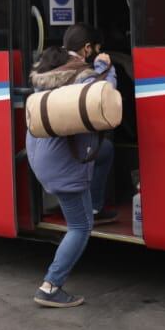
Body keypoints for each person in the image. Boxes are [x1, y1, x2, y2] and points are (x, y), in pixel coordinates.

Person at [26, 37, 119, 308]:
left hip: (44, 158)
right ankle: (50, 286)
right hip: (64, 166)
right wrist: (106, 66)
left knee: (106, 151)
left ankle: (97, 205)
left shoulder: (42, 82)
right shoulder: (79, 83)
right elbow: (105, 95)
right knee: (79, 227)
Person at [62, 23, 118, 225]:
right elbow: (103, 95)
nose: (98, 52)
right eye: (97, 49)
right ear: (87, 48)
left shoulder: (53, 63)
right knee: (106, 149)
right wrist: (104, 67)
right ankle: (94, 206)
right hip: (72, 146)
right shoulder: (81, 71)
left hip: (52, 144)